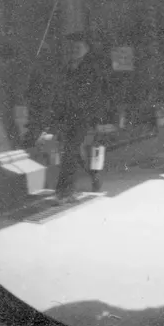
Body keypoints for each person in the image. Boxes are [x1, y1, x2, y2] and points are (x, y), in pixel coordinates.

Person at [51, 32, 106, 203]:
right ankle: (94, 176)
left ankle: (64, 191)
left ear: (86, 49)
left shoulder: (92, 69)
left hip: (84, 116)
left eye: (78, 47)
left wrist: (97, 120)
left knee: (71, 150)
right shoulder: (66, 67)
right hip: (67, 116)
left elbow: (97, 95)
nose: (74, 50)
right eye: (72, 47)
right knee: (73, 151)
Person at [23, 42, 58, 149]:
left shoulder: (51, 69)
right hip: (35, 107)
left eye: (46, 51)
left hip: (44, 107)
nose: (43, 54)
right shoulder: (32, 68)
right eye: (42, 51)